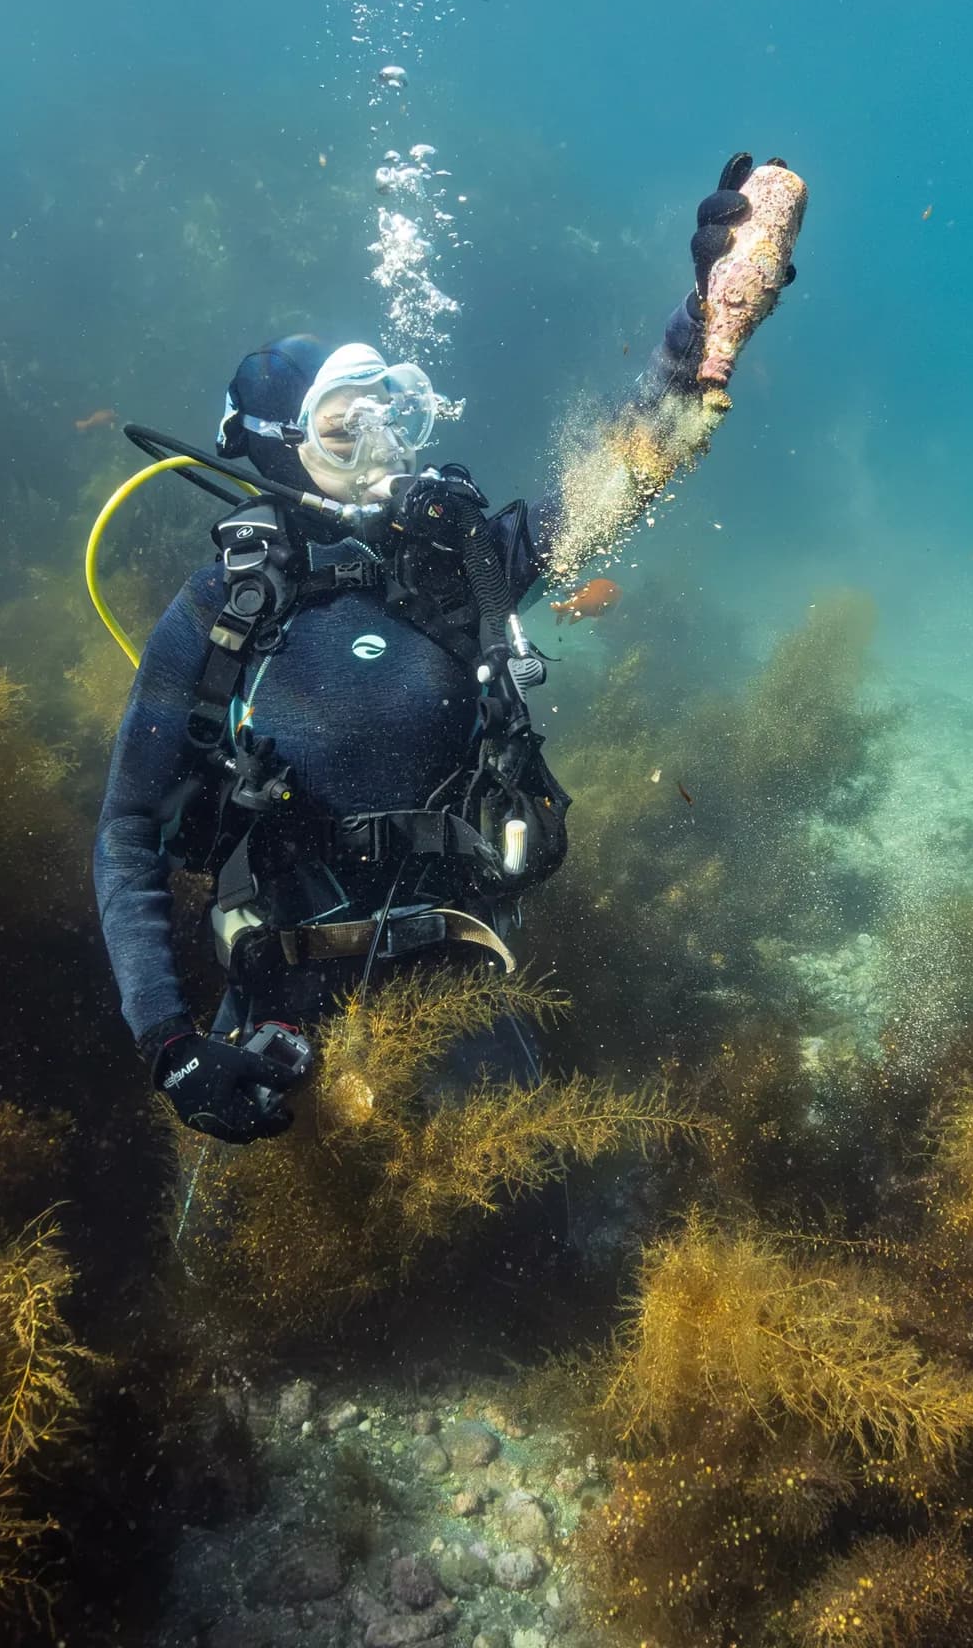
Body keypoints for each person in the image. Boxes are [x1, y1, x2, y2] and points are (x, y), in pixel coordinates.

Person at [94, 153, 797, 1147]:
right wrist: (168, 1042)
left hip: (467, 1002)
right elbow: (130, 832)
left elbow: (633, 460)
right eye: (347, 428)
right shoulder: (227, 605)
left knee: (523, 1236)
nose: (383, 447)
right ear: (276, 446)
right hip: (279, 1014)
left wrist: (707, 315)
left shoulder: (465, 560)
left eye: (395, 413)